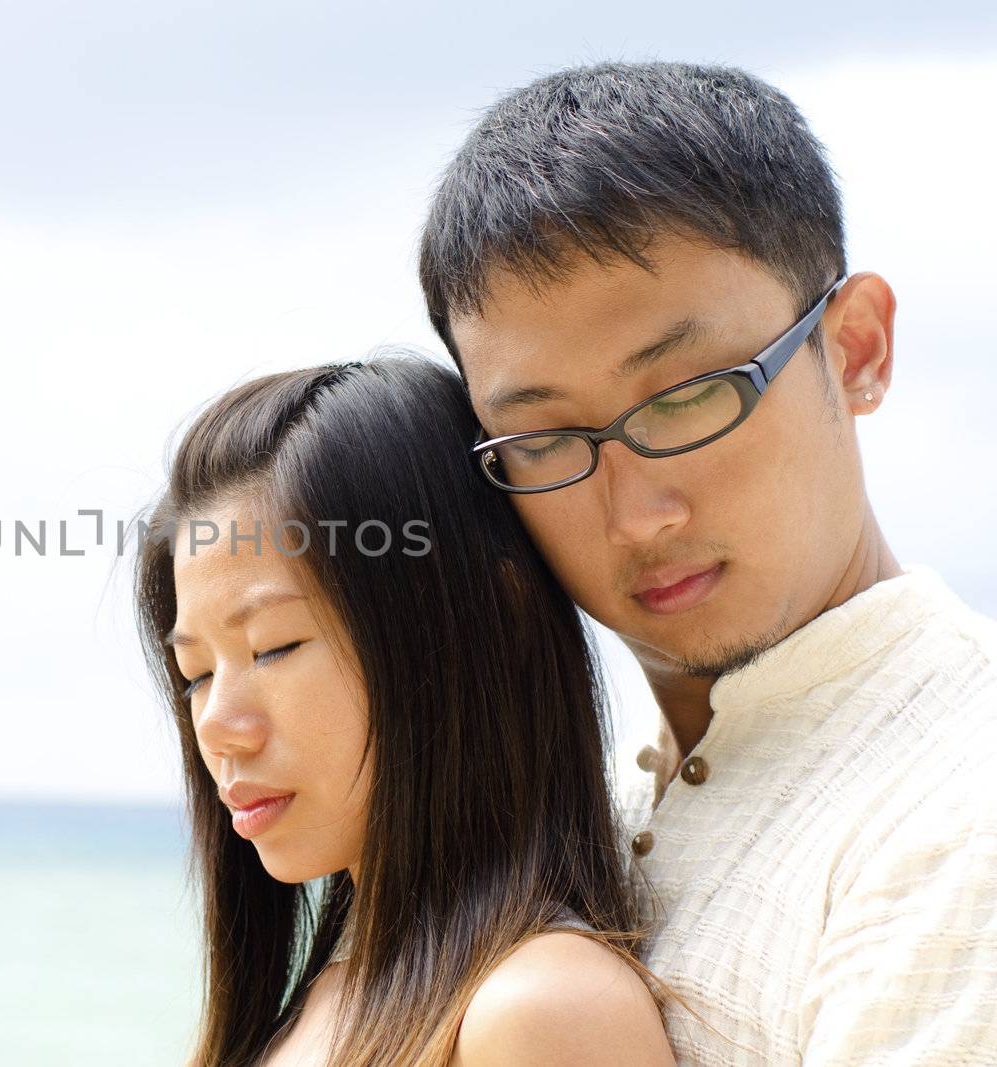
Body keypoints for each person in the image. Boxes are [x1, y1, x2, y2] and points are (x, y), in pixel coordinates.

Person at [418, 61, 997, 1064]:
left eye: (687, 396)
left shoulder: (959, 804)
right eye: (545, 440)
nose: (636, 514)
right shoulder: (578, 813)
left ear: (853, 348)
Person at [134, 356, 676, 1066]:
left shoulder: (542, 1011)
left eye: (274, 646)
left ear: (488, 619)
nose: (217, 725)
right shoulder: (325, 1002)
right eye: (197, 673)